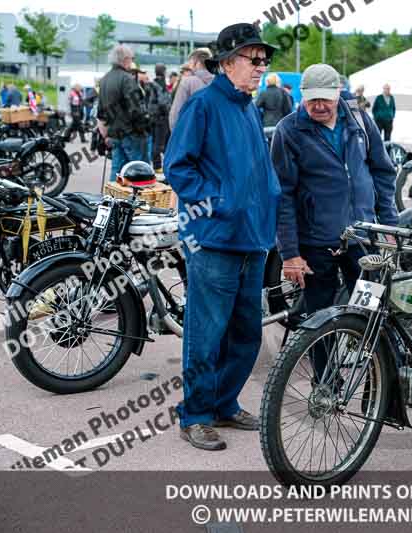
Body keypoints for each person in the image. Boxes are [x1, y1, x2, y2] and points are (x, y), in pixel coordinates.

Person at [164, 22, 280, 451]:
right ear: (228, 62)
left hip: (251, 239)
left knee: (247, 333)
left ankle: (224, 404)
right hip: (213, 239)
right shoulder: (204, 105)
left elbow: (258, 171)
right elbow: (178, 167)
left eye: (264, 61)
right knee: (206, 332)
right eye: (254, 60)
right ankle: (194, 414)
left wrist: (268, 202)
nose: (260, 67)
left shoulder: (248, 107)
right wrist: (218, 201)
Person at [271, 63, 398, 380]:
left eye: (324, 99)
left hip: (363, 239)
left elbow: (382, 173)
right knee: (318, 316)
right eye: (311, 99)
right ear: (302, 96)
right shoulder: (289, 131)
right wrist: (289, 253)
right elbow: (282, 195)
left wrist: (389, 226)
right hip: (316, 242)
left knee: (372, 308)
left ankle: (378, 378)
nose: (318, 105)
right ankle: (326, 381)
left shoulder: (358, 120)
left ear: (337, 95)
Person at [97, 45, 151, 182]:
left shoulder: (104, 80)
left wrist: (106, 134)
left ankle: (111, 200)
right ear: (126, 59)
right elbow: (136, 109)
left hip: (114, 133)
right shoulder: (127, 79)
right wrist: (144, 127)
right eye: (131, 58)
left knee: (117, 171)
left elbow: (101, 112)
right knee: (141, 171)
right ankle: (140, 202)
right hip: (131, 133)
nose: (132, 61)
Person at [169, 48, 214, 129]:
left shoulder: (187, 82)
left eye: (190, 63)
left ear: (195, 62)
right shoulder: (219, 81)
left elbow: (176, 115)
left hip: (192, 133)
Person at [148, 64, 172, 173]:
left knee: (155, 142)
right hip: (161, 117)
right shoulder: (161, 84)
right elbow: (163, 101)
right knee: (160, 143)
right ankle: (158, 166)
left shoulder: (151, 84)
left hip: (153, 117)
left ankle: (157, 165)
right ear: (163, 72)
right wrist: (169, 109)